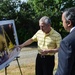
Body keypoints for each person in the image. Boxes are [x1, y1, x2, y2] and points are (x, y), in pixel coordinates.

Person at [55, 7, 75, 75]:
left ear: (69, 23)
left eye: (62, 21)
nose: (62, 24)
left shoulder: (67, 42)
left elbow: (63, 72)